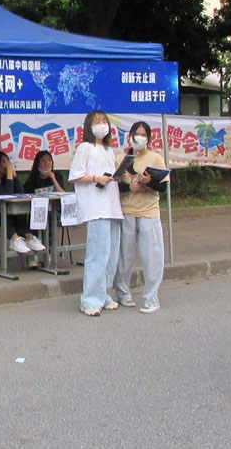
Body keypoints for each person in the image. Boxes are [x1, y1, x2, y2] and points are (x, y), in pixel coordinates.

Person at [69, 110, 124, 317]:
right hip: (96, 207)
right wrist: (96, 178)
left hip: (112, 206)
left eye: (104, 121)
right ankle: (90, 299)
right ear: (89, 127)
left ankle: (104, 294)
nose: (102, 125)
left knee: (111, 254)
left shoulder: (109, 150)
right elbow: (76, 175)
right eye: (97, 122)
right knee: (97, 254)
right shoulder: (85, 147)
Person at [112, 121, 168, 314]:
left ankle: (151, 298)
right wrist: (129, 186)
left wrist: (148, 182)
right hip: (127, 211)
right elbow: (115, 186)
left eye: (144, 135)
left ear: (149, 138)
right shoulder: (122, 159)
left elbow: (163, 187)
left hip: (149, 212)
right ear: (130, 136)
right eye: (137, 134)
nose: (139, 138)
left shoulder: (155, 158)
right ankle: (123, 293)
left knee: (151, 256)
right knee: (124, 256)